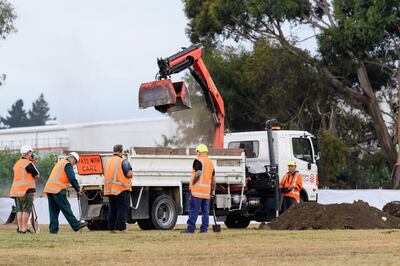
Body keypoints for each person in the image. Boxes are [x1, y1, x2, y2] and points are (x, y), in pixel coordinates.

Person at [43, 152, 88, 234]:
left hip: (50, 189)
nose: (74, 165)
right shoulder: (67, 164)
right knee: (66, 208)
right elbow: (72, 178)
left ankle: (53, 229)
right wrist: (78, 189)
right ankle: (76, 225)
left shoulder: (60, 163)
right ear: (73, 159)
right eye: (75, 163)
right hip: (58, 189)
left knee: (53, 210)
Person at [182, 144, 216, 233]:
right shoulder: (210, 163)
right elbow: (213, 180)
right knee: (205, 212)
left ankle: (190, 229)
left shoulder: (198, 160)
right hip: (206, 192)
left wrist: (193, 182)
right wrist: (213, 190)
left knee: (193, 210)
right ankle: (204, 229)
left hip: (197, 192)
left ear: (199, 152)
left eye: (197, 152)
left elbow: (198, 172)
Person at [9, 145, 39, 234]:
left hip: (16, 191)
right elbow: (36, 175)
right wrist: (33, 163)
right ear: (27, 153)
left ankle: (20, 229)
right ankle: (24, 229)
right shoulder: (28, 163)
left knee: (20, 210)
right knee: (26, 210)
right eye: (30, 152)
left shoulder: (17, 163)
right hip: (26, 190)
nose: (31, 154)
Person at [104, 144, 133, 233]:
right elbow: (129, 174)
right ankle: (122, 228)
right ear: (121, 151)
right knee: (122, 209)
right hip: (121, 189)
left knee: (112, 209)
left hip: (110, 190)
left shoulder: (108, 161)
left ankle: (111, 228)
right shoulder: (122, 161)